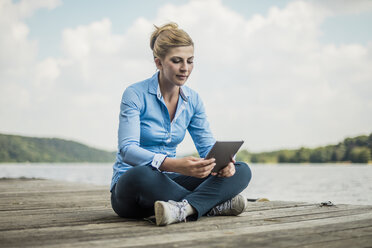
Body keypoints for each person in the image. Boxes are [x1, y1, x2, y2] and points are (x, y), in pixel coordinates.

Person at [110, 22, 252, 226]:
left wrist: (224, 165)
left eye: (190, 61)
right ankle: (211, 205)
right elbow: (127, 150)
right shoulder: (134, 94)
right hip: (132, 189)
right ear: (158, 63)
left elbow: (208, 148)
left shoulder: (193, 100)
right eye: (177, 61)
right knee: (142, 174)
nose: (185, 68)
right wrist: (173, 164)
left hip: (171, 183)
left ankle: (184, 208)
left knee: (242, 169)